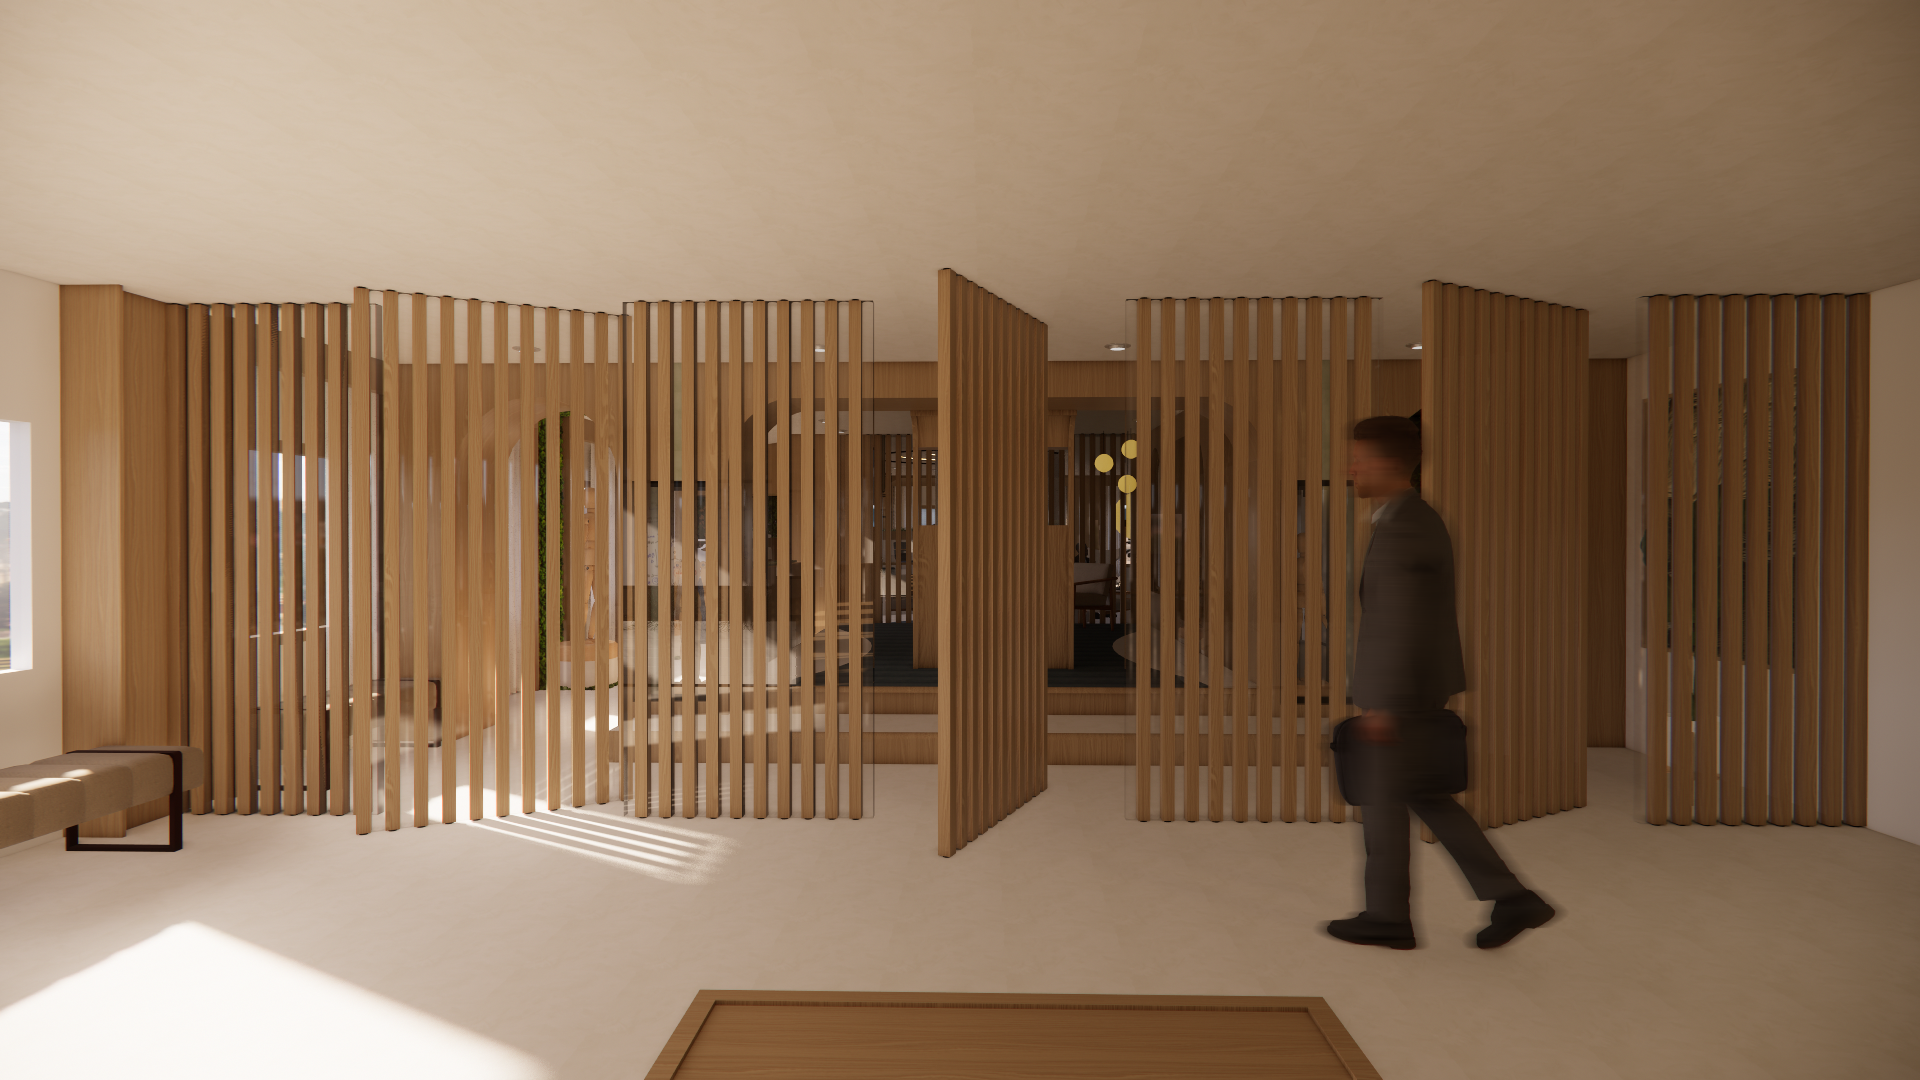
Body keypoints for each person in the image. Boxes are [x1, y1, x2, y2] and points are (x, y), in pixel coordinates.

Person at [1324, 415, 1554, 951]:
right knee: (1426, 796)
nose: (1350, 469)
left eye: (1357, 459)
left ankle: (1389, 917)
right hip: (1415, 692)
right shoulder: (1411, 519)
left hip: (1399, 698)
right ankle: (1511, 898)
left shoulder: (1405, 527)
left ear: (1383, 463)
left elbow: (1398, 620)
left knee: (1384, 804)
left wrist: (1379, 704)